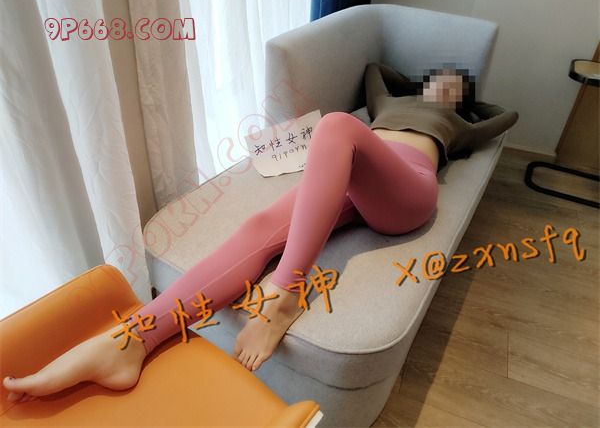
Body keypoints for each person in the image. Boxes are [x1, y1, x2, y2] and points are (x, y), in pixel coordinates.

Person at [2, 62, 518, 404]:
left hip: (405, 191)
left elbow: (505, 116)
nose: (443, 87)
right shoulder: (388, 101)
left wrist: (463, 98)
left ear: (462, 101)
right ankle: (133, 340)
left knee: (337, 125)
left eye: (453, 87)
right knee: (259, 226)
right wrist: (418, 81)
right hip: (349, 176)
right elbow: (375, 72)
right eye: (438, 80)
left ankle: (286, 293)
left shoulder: (461, 124)